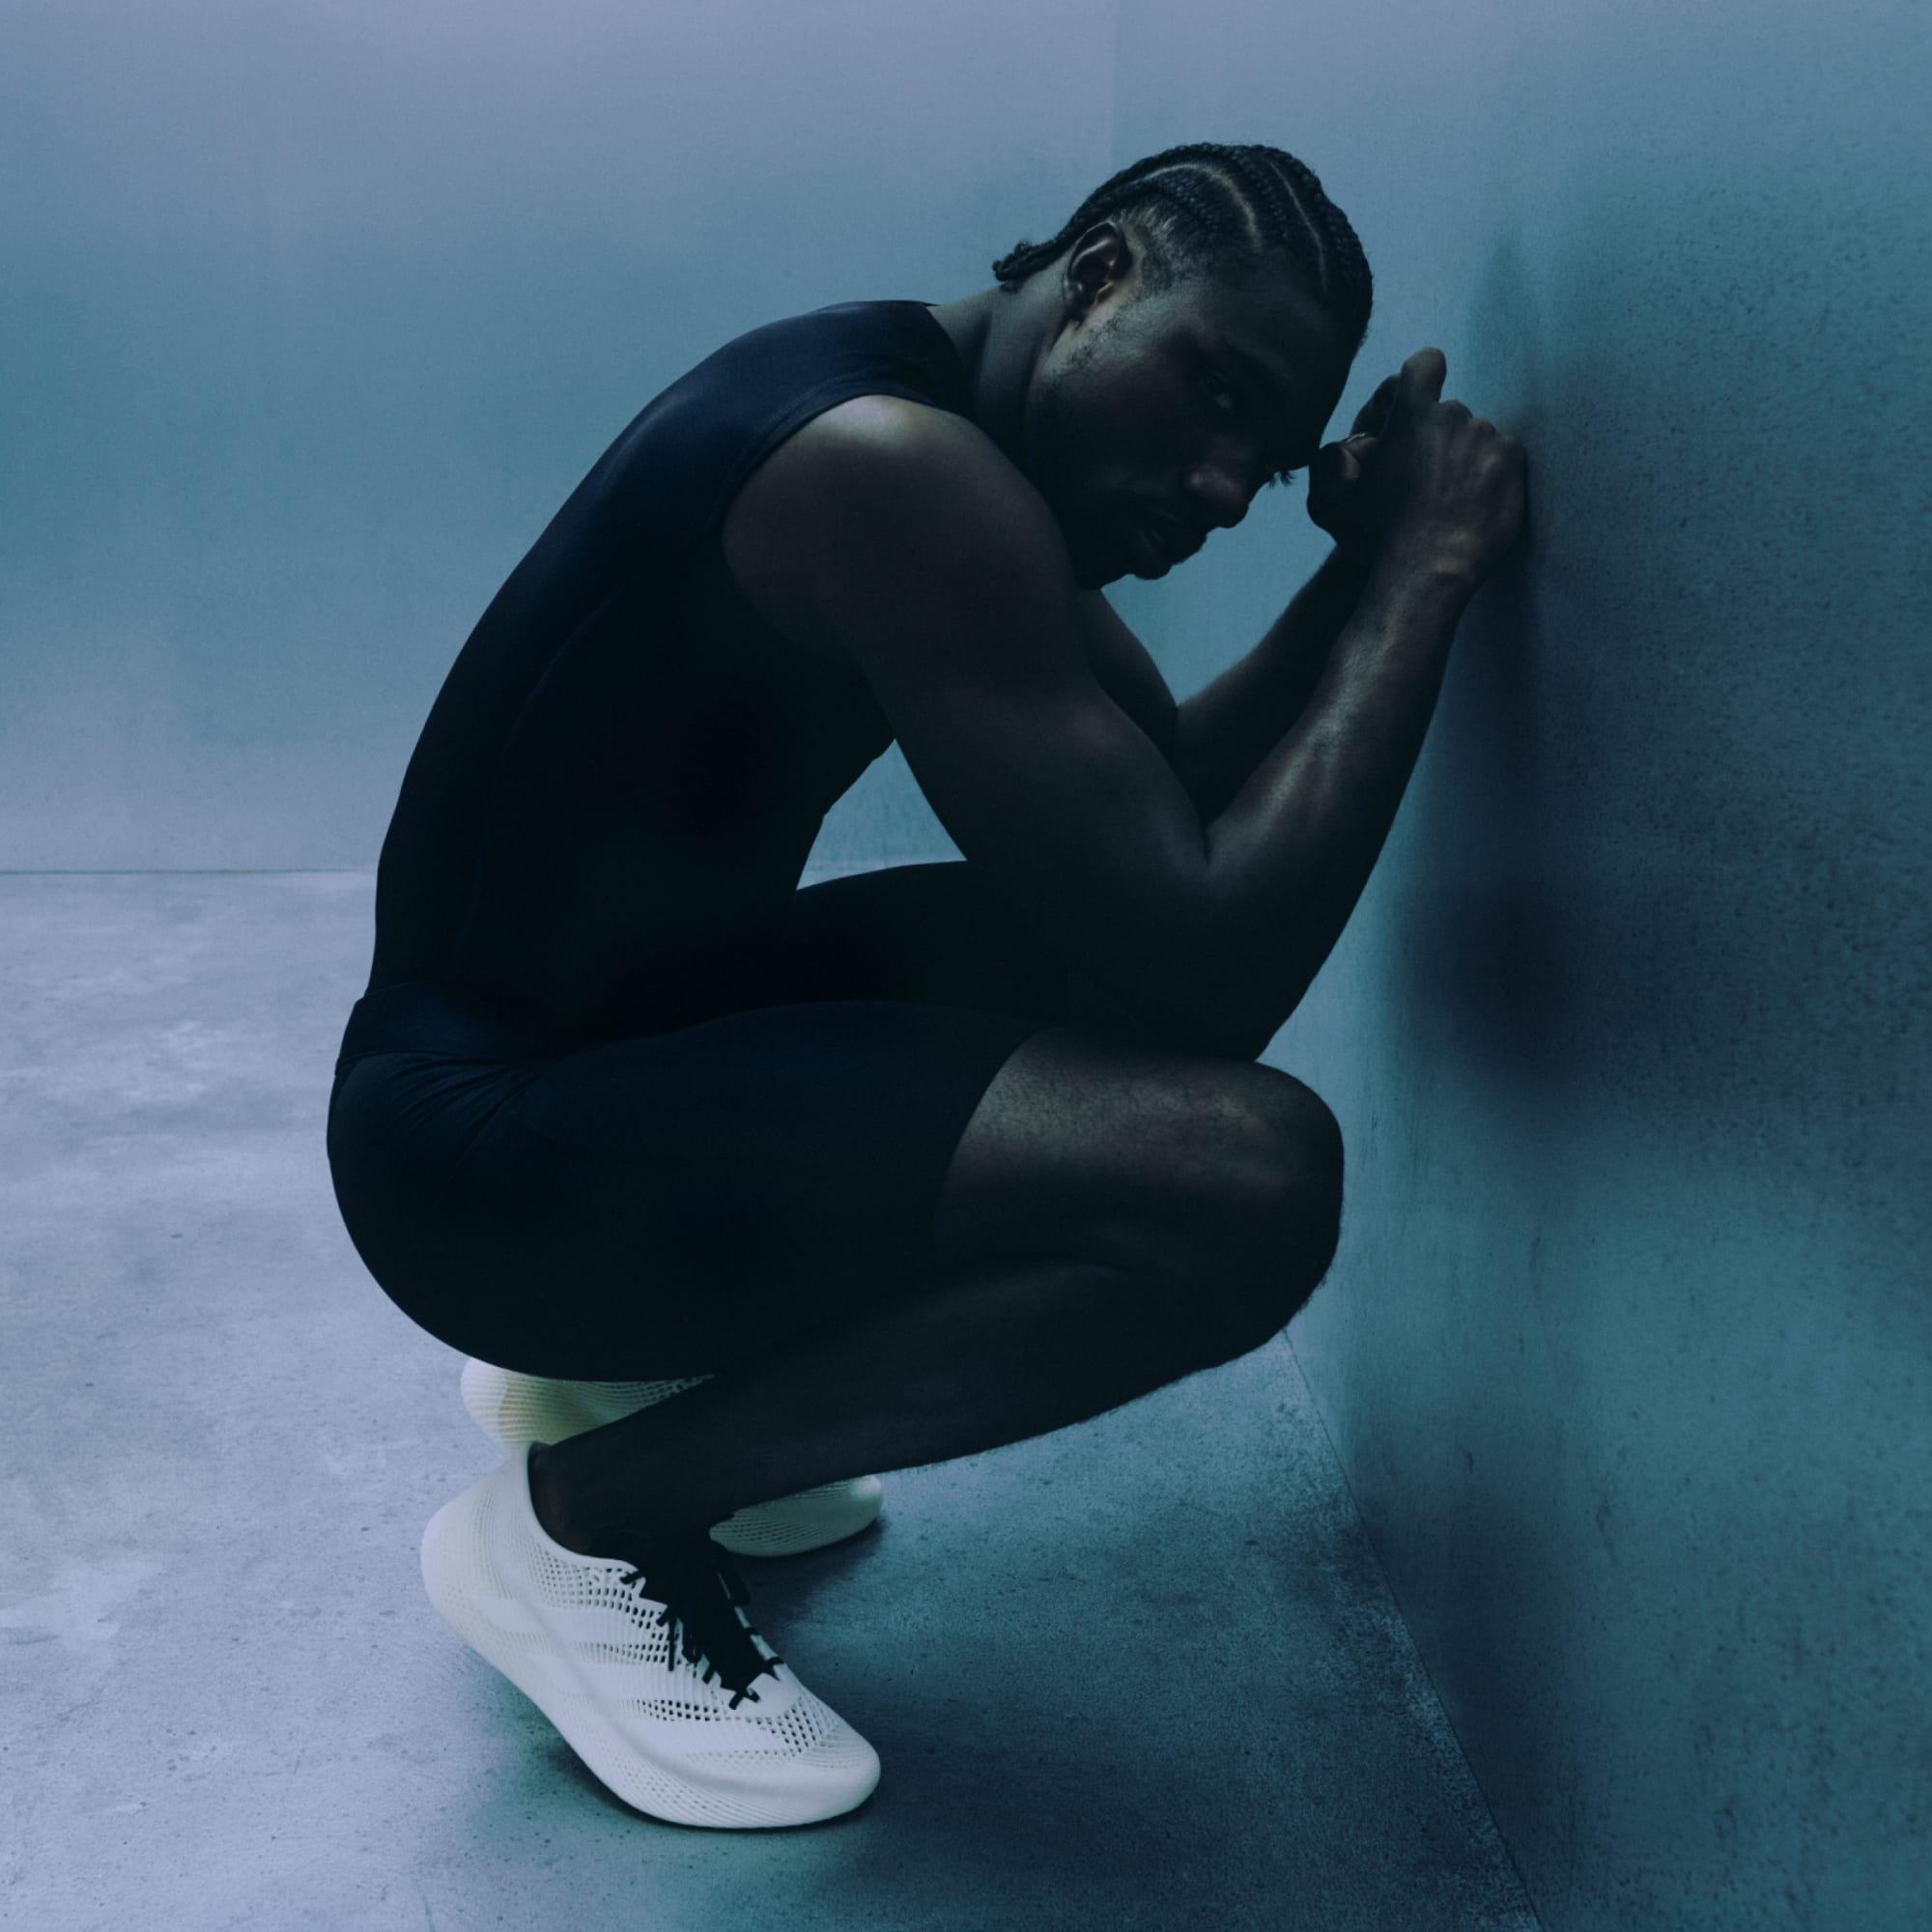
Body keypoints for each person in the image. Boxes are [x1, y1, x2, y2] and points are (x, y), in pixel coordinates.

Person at [325, 138, 1528, 1830]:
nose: (1221, 487)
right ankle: (586, 1523)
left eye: (1265, 460)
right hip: (474, 1165)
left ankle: (625, 1378)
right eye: (1215, 394)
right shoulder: (890, 471)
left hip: (611, 1057)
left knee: (1103, 961)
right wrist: (1422, 579)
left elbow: (1157, 813)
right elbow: (1214, 969)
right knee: (1246, 1184)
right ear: (1100, 275)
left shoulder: (930, 420)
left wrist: (1358, 569)